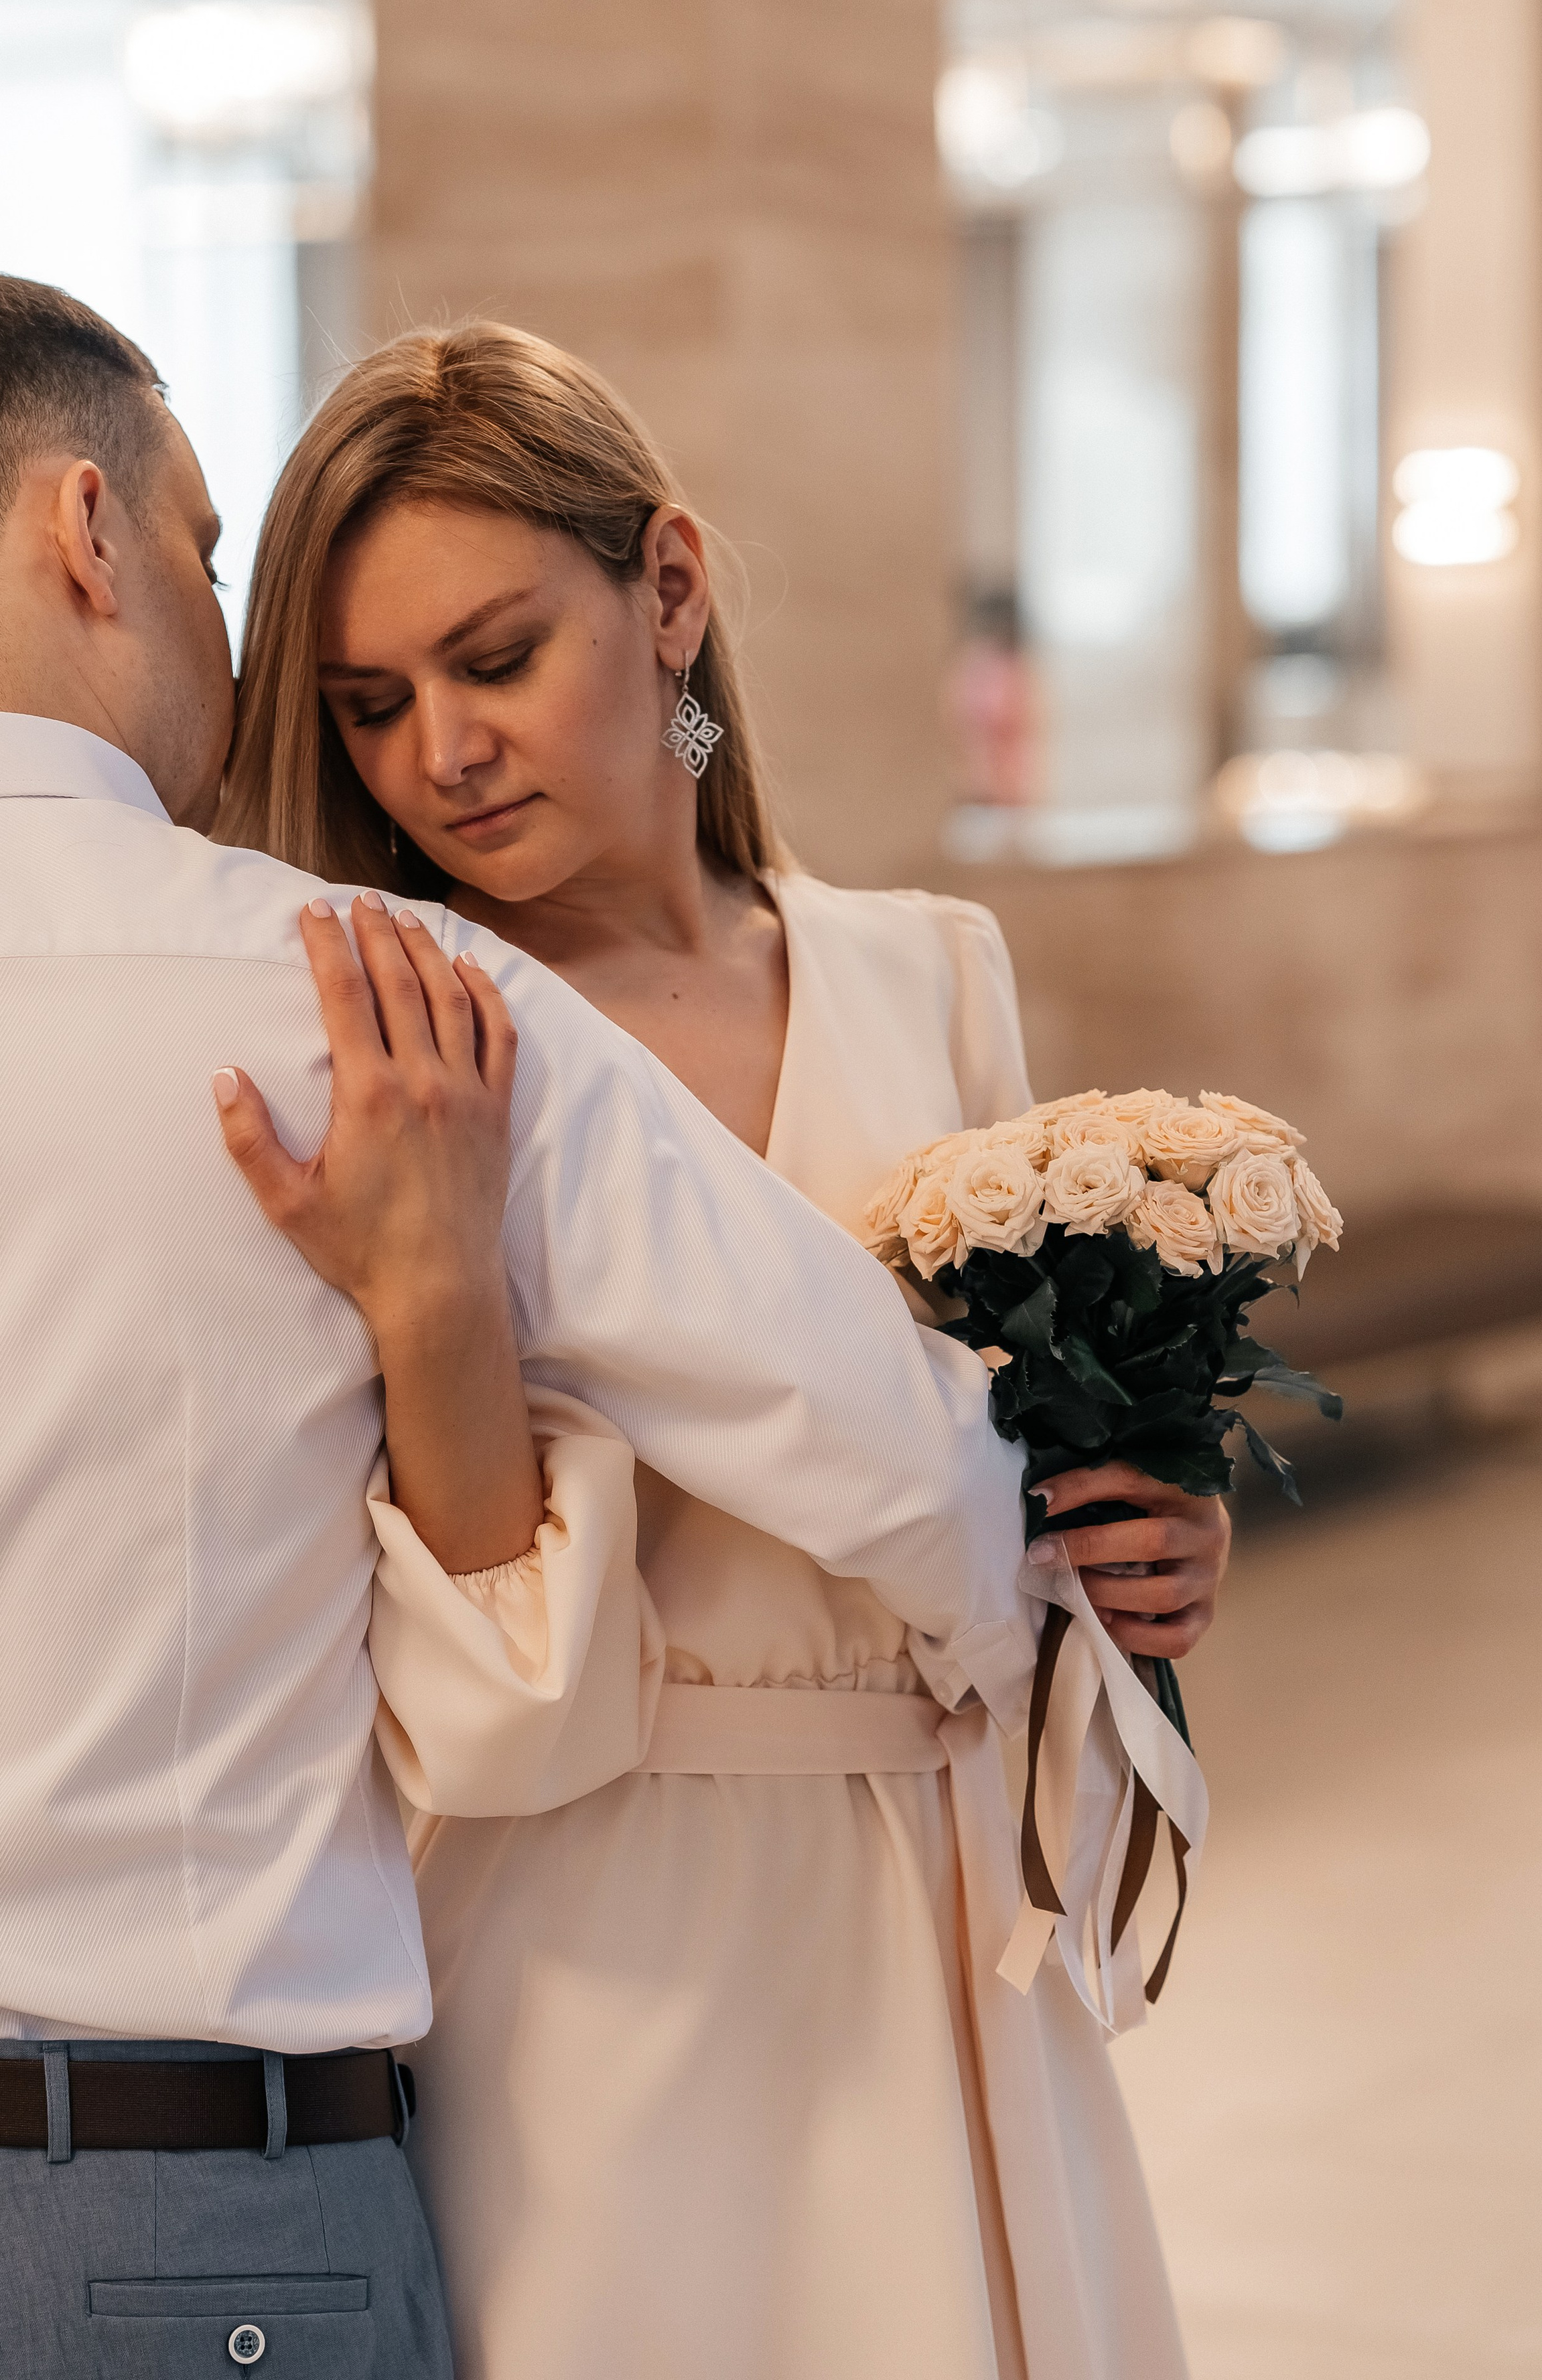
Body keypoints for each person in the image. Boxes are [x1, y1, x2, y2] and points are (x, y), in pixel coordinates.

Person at [0, 271, 1088, 2377]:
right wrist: (1043, 1588)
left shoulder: (879, 967)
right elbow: (921, 1462)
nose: (243, 660)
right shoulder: (375, 1004)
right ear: (85, 535)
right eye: (212, 557)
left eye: (493, 659)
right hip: (209, 2190)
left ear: (668, 594)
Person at [214, 318, 1230, 2380]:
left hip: (941, 1903)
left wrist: (1156, 1536)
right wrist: (435, 1291)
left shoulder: (930, 970)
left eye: (496, 660)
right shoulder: (399, 1039)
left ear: (666, 585)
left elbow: (1009, 1464)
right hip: (588, 1937)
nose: (440, 754)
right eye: (370, 706)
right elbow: (443, 1634)